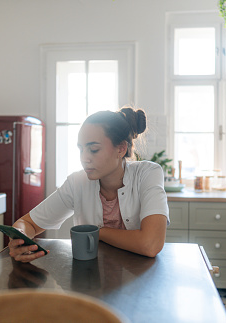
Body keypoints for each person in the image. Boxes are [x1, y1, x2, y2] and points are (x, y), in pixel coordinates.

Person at [9, 107, 169, 263]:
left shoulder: (148, 173)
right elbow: (28, 223)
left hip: (139, 279)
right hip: (90, 279)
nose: (84, 158)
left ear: (121, 148)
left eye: (93, 149)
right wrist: (19, 237)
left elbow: (151, 244)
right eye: (81, 150)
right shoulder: (77, 183)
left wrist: (98, 233)